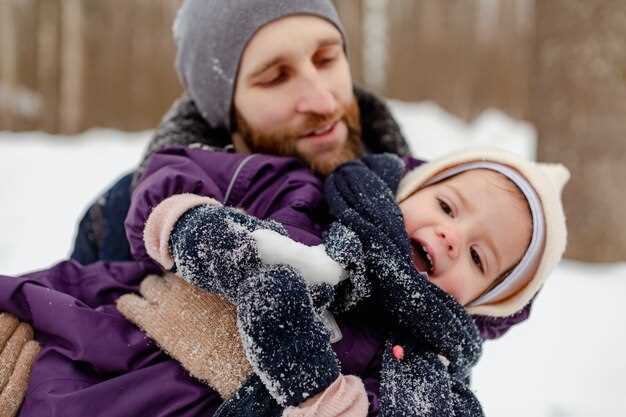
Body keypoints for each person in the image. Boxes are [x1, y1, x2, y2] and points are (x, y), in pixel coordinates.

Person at [114, 142, 568, 416]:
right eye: (447, 207)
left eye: (477, 256)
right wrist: (189, 225)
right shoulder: (307, 197)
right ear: (411, 187)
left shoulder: (424, 378)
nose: (452, 237)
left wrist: (317, 394)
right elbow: (177, 170)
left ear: (484, 304)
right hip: (114, 363)